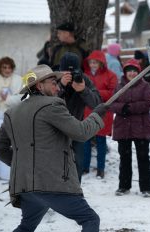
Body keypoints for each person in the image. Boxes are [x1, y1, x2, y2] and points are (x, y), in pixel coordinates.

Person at [0, 64, 108, 232]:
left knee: (26, 227)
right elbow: (81, 133)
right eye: (52, 81)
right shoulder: (52, 106)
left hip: (25, 187)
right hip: (52, 184)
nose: (57, 85)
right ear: (39, 85)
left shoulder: (12, 113)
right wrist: (97, 115)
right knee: (90, 219)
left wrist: (23, 164)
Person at [110, 59, 150, 197]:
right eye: (129, 71)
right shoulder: (119, 86)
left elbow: (148, 103)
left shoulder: (145, 86)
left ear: (139, 72)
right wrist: (122, 108)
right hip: (123, 127)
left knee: (143, 157)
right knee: (125, 157)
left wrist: (131, 107)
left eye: (134, 71)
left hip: (141, 127)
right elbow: (112, 103)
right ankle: (124, 186)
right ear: (125, 72)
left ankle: (146, 188)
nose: (132, 73)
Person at [58, 52, 101, 182]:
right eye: (66, 72)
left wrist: (83, 90)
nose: (70, 75)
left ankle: (75, 194)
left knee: (77, 164)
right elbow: (43, 102)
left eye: (73, 71)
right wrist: (60, 87)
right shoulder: (52, 79)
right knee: (56, 165)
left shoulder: (84, 79)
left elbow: (97, 104)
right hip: (56, 129)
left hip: (77, 128)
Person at [83, 50, 117, 179]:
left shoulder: (110, 75)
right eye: (91, 62)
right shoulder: (85, 75)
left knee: (101, 141)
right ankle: (85, 167)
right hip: (87, 110)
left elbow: (113, 92)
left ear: (101, 63)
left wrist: (95, 93)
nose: (93, 65)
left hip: (103, 111)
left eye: (95, 62)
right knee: (85, 140)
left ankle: (100, 168)